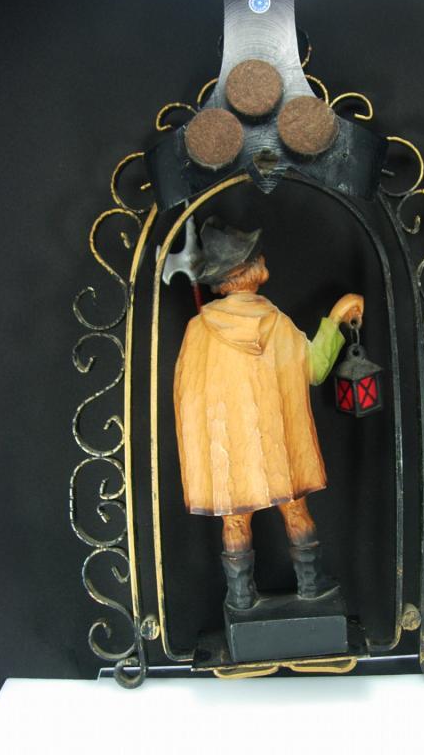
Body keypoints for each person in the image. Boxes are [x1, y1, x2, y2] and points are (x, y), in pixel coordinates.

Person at [173, 219, 363, 610]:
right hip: (277, 446)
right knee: (295, 508)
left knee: (234, 519)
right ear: (245, 270)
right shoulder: (275, 322)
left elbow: (187, 398)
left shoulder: (199, 329)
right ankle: (311, 584)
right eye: (256, 256)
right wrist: (336, 318)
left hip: (228, 451)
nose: (263, 260)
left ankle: (241, 596)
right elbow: (314, 369)